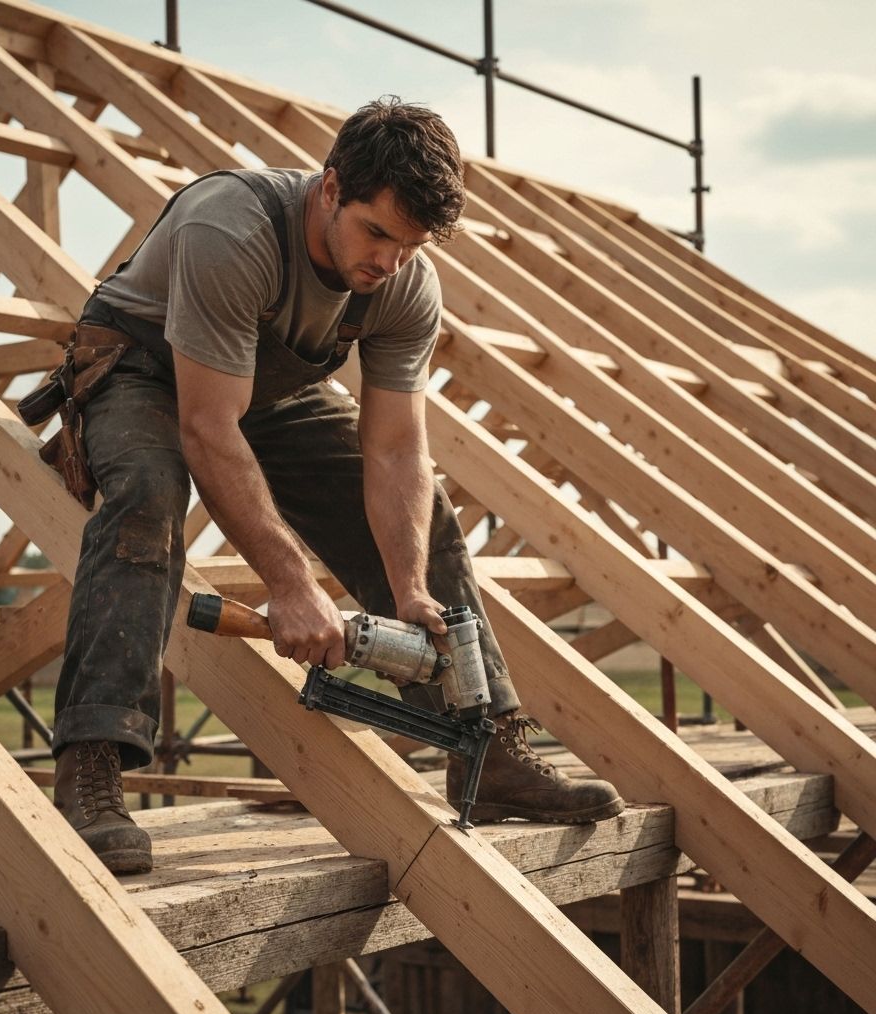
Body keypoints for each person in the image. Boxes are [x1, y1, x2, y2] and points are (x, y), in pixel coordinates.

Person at [48, 97, 623, 875]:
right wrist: (290, 584)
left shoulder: (405, 284)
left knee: (435, 523)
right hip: (145, 366)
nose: (388, 261)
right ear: (328, 190)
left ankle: (486, 748)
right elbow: (210, 429)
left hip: (266, 386)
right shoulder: (231, 231)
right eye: (376, 232)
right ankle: (92, 768)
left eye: (409, 245)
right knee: (148, 499)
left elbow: (394, 451)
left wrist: (410, 587)